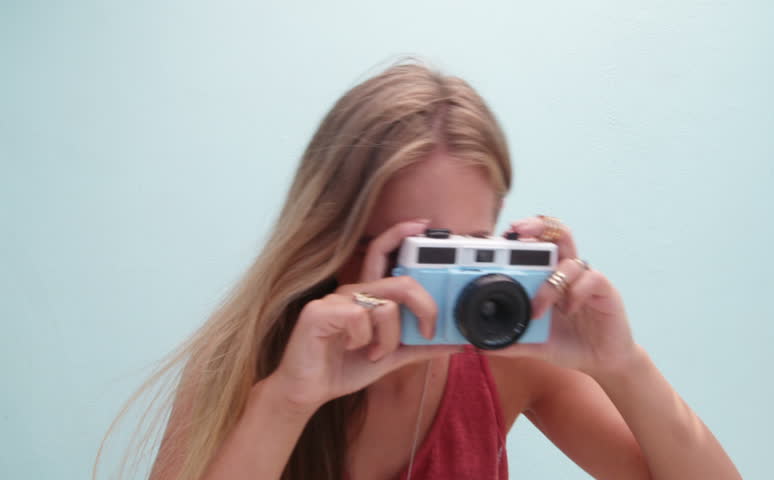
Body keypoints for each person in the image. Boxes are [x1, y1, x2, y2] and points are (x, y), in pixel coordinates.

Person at [99, 61, 741, 480]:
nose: (431, 288)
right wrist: (289, 402)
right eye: (422, 249)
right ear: (337, 236)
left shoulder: (505, 359)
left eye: (469, 249)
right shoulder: (248, 363)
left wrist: (622, 364)